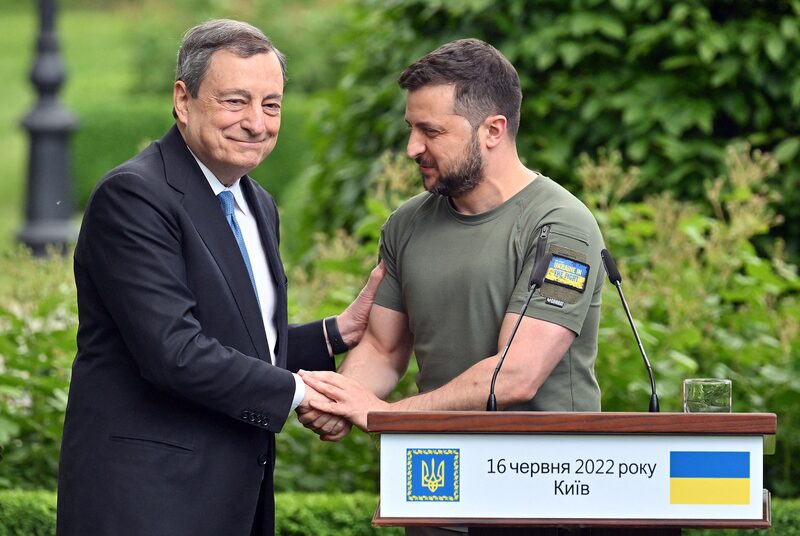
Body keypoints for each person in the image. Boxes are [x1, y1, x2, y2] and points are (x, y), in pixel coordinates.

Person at [56, 19, 382, 536]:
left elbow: (240, 343)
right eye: (235, 101)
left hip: (233, 502)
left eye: (271, 105)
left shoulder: (258, 203)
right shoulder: (134, 196)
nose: (257, 123)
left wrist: (336, 333)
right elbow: (174, 352)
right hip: (146, 505)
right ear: (182, 101)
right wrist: (301, 393)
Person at [300, 39, 604, 452]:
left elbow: (516, 375)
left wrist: (384, 415)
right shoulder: (406, 223)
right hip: (439, 472)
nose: (412, 148)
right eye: (412, 128)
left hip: (543, 474)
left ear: (493, 130)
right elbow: (383, 349)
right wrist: (338, 400)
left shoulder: (561, 226)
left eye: (432, 131)